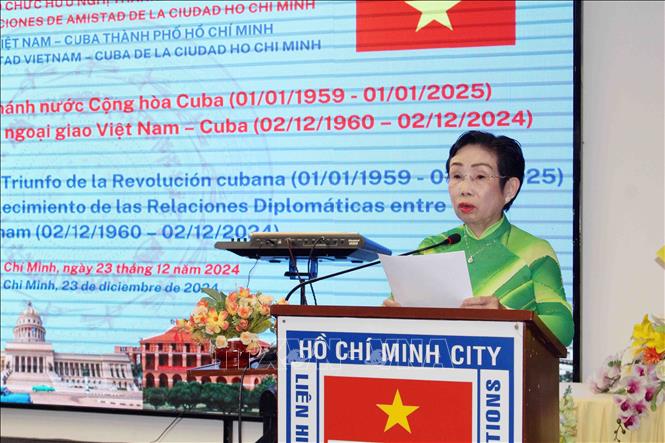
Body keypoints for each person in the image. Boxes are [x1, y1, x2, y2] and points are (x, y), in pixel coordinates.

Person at [384, 131, 574, 347]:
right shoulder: (432, 248)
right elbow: (395, 312)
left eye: (480, 177)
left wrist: (506, 316)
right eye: (457, 176)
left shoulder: (533, 251)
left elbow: (563, 328)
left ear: (510, 188)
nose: (464, 189)